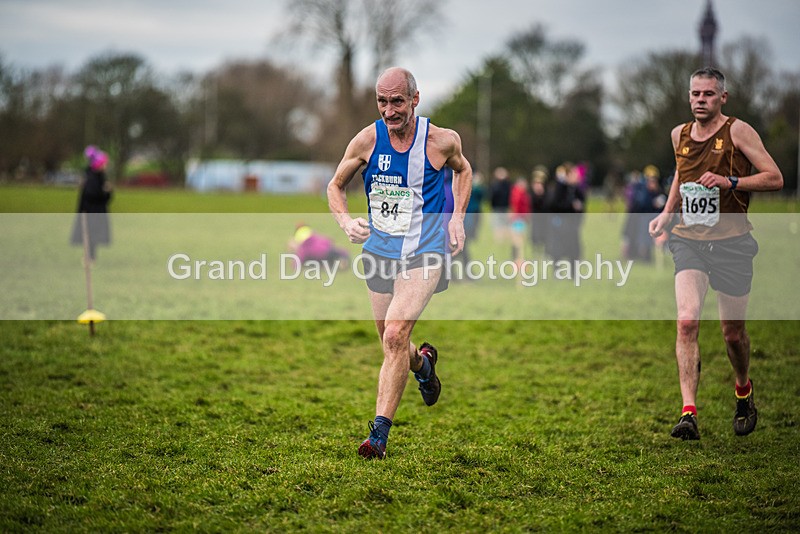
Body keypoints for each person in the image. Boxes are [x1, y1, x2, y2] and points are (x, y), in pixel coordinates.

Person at [327, 67, 472, 459]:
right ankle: (423, 366)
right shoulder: (367, 140)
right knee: (393, 344)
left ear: (415, 99)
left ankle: (378, 436)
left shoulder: (442, 141)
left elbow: (464, 171)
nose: (389, 110)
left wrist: (457, 217)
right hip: (379, 251)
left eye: (397, 101)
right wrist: (345, 220)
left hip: (425, 251)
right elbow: (335, 185)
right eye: (382, 101)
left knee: (394, 335)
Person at [649, 67, 783, 441]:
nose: (700, 101)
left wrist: (731, 181)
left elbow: (775, 177)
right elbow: (681, 174)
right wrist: (665, 214)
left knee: (732, 334)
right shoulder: (679, 134)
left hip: (732, 243)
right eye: (695, 94)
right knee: (687, 321)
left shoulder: (738, 131)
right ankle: (688, 412)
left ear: (723, 97)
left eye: (708, 94)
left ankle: (743, 389)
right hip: (688, 239)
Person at [70, 145, 112, 262]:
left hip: (95, 211)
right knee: (90, 235)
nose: (106, 166)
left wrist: (108, 192)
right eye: (104, 163)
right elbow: (92, 195)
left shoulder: (99, 177)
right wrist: (105, 192)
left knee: (93, 236)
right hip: (91, 212)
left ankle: (91, 256)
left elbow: (105, 196)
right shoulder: (93, 178)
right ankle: (89, 257)